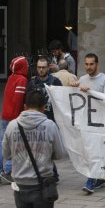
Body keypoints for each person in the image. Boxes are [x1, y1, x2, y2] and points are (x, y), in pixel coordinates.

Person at [2, 90, 66, 208]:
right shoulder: (50, 125)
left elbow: (6, 155)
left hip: (20, 187)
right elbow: (60, 154)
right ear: (44, 107)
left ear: (25, 106)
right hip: (43, 186)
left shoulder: (12, 125)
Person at [71, 53, 105, 194]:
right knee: (89, 152)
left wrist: (90, 92)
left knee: (95, 151)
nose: (88, 67)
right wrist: (72, 87)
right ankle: (100, 178)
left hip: (100, 123)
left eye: (91, 64)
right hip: (86, 122)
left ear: (97, 64)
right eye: (86, 64)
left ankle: (91, 181)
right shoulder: (82, 79)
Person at [0, 56, 29, 184]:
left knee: (2, 144)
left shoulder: (11, 77)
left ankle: (1, 170)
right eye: (26, 65)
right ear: (23, 67)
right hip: (13, 118)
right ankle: (7, 173)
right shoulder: (22, 80)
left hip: (4, 116)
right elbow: (18, 100)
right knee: (13, 146)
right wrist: (19, 117)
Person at [27, 58, 63, 122]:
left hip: (51, 119)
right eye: (39, 67)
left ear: (48, 68)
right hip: (35, 119)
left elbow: (62, 100)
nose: (41, 70)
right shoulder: (32, 83)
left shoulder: (56, 82)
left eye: (43, 67)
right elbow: (28, 103)